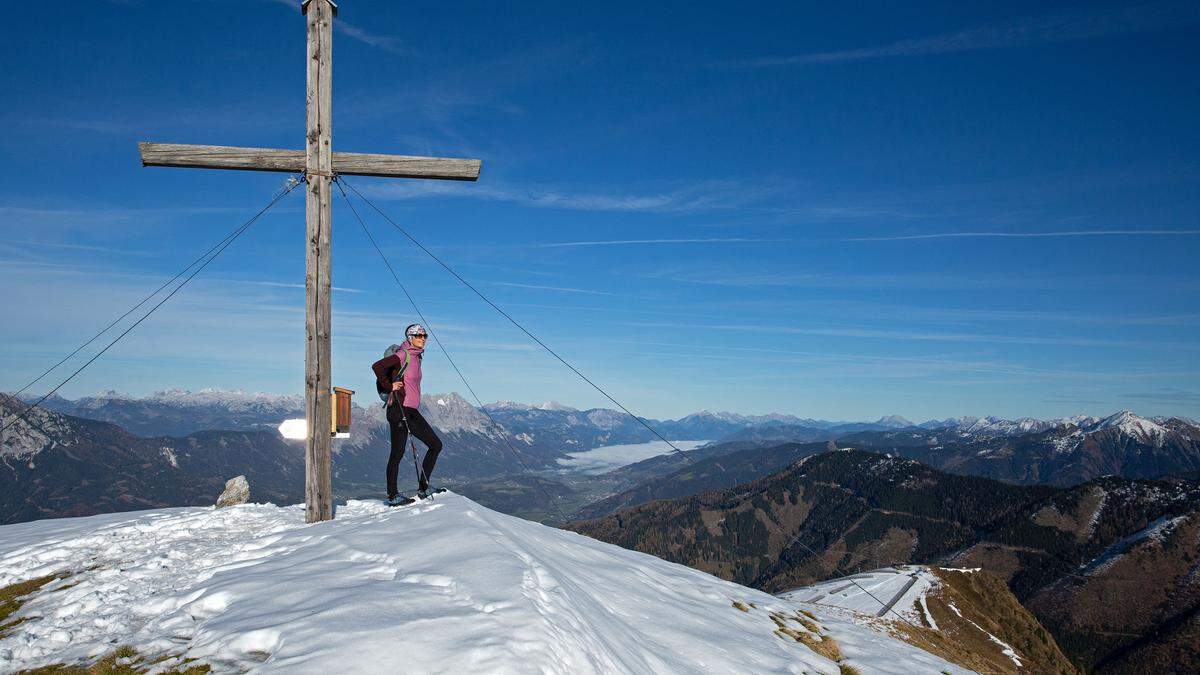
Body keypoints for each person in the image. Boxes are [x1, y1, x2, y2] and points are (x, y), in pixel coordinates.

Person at [372, 323, 443, 504]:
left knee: (435, 444)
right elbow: (377, 367)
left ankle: (423, 488)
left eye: (424, 336)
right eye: (419, 335)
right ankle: (393, 495)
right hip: (398, 409)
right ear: (410, 337)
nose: (423, 338)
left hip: (411, 410)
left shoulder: (417, 357)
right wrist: (390, 386)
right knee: (397, 453)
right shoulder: (403, 355)